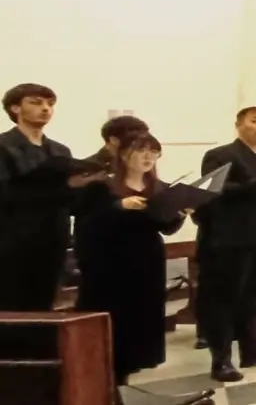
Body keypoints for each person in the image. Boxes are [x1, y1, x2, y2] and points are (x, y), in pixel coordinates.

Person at [73, 134, 192, 389]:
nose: (149, 156)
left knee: (141, 321)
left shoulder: (159, 188)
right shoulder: (101, 187)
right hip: (110, 263)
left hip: (147, 261)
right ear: (124, 154)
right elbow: (86, 226)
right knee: (114, 322)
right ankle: (110, 379)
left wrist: (180, 215)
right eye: (142, 150)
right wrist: (119, 207)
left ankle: (127, 376)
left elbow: (165, 227)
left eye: (154, 151)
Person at [195, 107, 256, 382]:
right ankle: (221, 359)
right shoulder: (220, 155)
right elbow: (213, 191)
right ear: (239, 124)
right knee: (224, 299)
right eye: (255, 121)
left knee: (253, 297)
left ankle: (252, 350)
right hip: (230, 238)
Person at [0, 83, 104, 312]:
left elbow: (69, 200)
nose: (46, 108)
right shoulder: (4, 146)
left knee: (45, 304)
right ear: (15, 108)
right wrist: (65, 186)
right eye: (36, 103)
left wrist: (87, 185)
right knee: (13, 306)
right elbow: (6, 194)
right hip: (13, 242)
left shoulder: (60, 150)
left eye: (50, 104)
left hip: (54, 238)